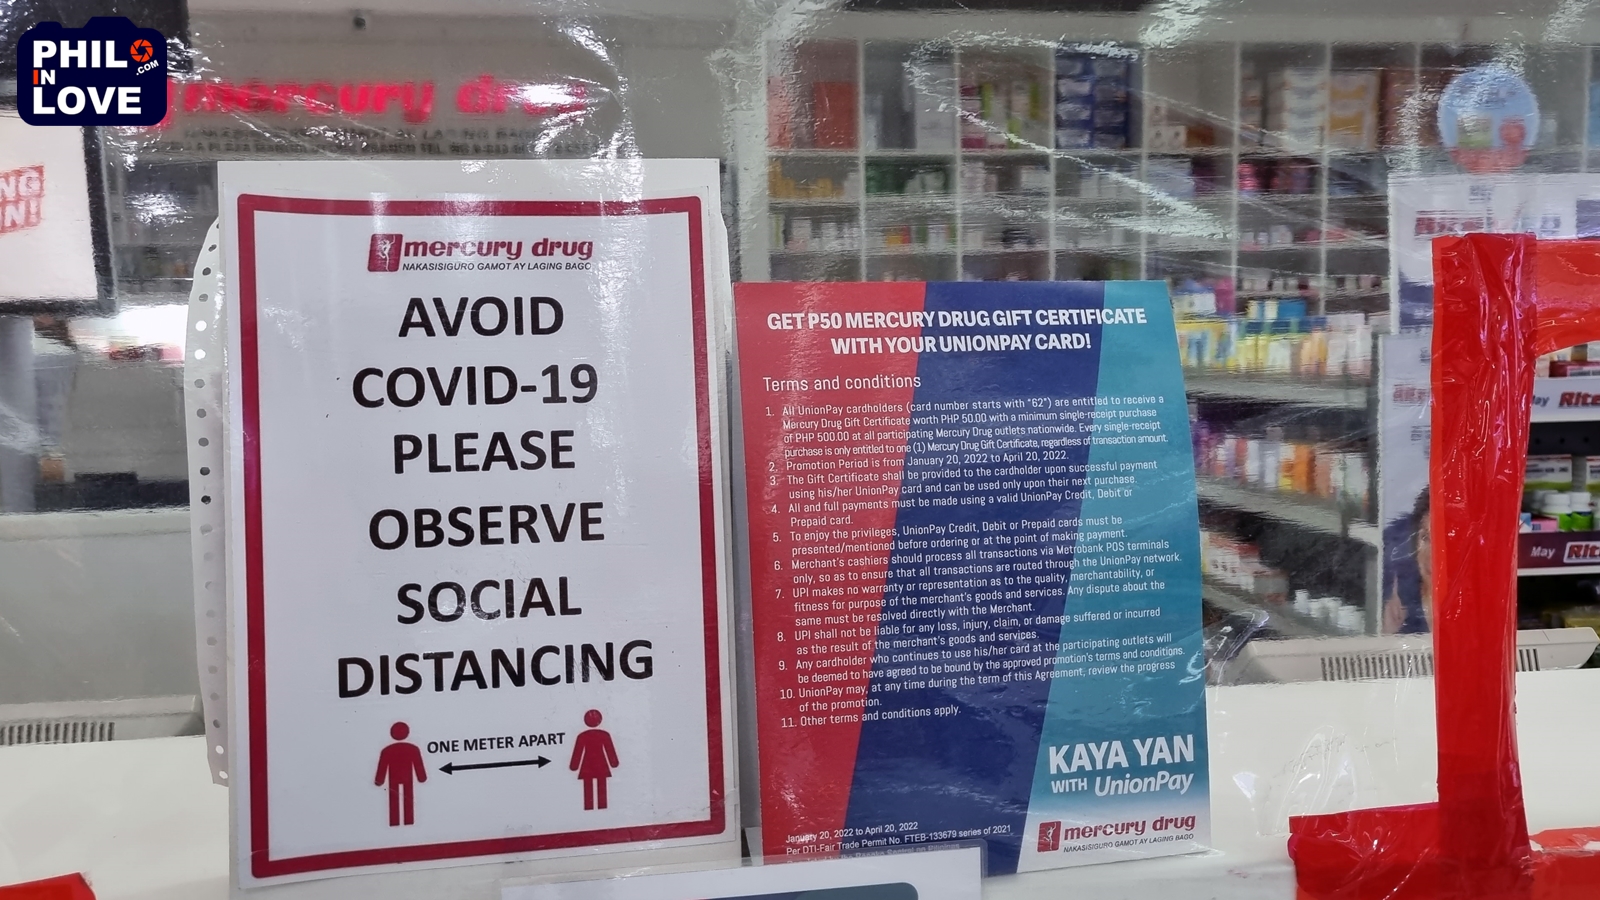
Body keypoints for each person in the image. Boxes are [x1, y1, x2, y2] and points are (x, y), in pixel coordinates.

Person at [1383, 490, 1433, 634]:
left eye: (1444, 541)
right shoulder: (1399, 601)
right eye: (1425, 538)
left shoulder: (1473, 605)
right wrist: (1387, 634)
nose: (1430, 555)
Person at [375, 721, 427, 826]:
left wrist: (379, 780)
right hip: (407, 778)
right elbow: (418, 765)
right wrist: (421, 777)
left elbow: (382, 767)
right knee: (407, 799)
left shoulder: (387, 750)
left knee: (394, 799)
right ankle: (408, 820)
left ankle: (395, 821)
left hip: (394, 778)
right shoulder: (413, 749)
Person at [569, 709, 619, 811]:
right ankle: (600, 806)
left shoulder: (582, 736)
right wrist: (613, 763)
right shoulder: (604, 735)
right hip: (600, 764)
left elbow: (577, 752)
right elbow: (610, 751)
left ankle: (591, 806)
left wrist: (574, 766)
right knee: (601, 786)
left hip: (587, 765)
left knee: (589, 787)